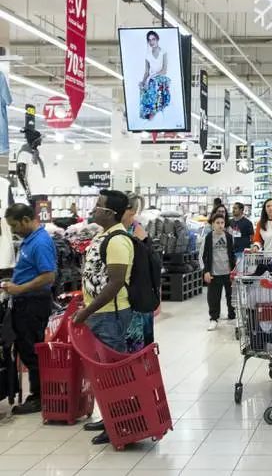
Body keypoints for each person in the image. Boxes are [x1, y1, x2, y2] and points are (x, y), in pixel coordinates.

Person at [73, 190, 136, 445]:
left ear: (110, 213)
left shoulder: (118, 240)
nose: (94, 209)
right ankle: (109, 416)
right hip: (99, 313)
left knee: (113, 374)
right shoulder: (103, 234)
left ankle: (119, 424)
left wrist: (87, 312)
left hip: (111, 315)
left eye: (99, 205)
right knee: (103, 373)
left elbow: (116, 282)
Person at [3, 203, 56, 415]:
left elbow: (48, 276)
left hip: (33, 303)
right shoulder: (29, 240)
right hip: (25, 301)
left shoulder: (40, 242)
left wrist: (20, 288)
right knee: (26, 348)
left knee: (32, 350)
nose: (13, 230)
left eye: (14, 225)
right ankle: (39, 394)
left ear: (26, 220)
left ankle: (39, 396)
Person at [123, 193, 154, 346]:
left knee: (137, 338)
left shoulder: (136, 231)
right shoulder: (133, 229)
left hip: (136, 292)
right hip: (135, 291)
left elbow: (143, 263)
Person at [203, 214, 235, 331]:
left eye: (222, 223)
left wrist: (234, 270)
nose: (220, 225)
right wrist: (206, 271)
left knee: (231, 295)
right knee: (213, 297)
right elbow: (205, 255)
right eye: (217, 223)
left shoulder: (229, 237)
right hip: (214, 273)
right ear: (213, 224)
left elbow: (232, 254)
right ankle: (214, 319)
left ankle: (232, 315)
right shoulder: (208, 237)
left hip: (228, 272)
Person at [139, 30, 171, 121]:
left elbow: (164, 70)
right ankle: (147, 113)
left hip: (161, 78)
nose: (151, 42)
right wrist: (143, 82)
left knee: (153, 84)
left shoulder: (163, 52)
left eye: (153, 39)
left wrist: (153, 77)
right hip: (151, 79)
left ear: (157, 39)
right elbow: (146, 72)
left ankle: (153, 110)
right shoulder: (147, 55)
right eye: (149, 40)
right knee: (143, 88)